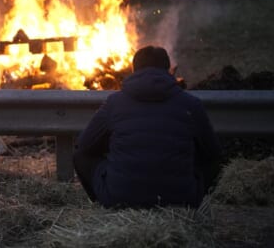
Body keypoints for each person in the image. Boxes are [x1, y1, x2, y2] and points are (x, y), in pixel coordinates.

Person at [73, 46, 222, 209]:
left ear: (133, 70)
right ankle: (190, 202)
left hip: (120, 198)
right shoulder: (191, 104)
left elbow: (83, 146)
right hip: (180, 200)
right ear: (169, 70)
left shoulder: (114, 103)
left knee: (81, 155)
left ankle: (103, 206)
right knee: (211, 158)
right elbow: (213, 153)